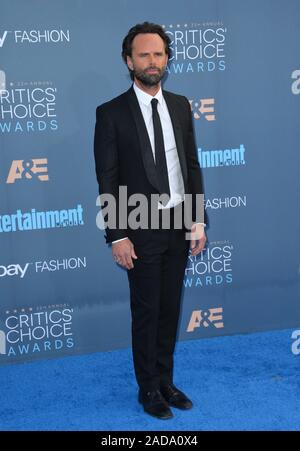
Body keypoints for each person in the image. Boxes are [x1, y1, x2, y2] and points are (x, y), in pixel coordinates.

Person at [94, 22, 207, 419]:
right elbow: (107, 178)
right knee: (146, 311)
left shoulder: (180, 104)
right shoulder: (110, 114)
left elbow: (190, 166)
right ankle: (148, 389)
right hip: (139, 227)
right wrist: (117, 234)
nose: (152, 61)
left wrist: (198, 221)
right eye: (144, 54)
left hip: (179, 223)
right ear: (129, 61)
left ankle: (166, 381)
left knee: (170, 309)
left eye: (158, 54)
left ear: (167, 59)